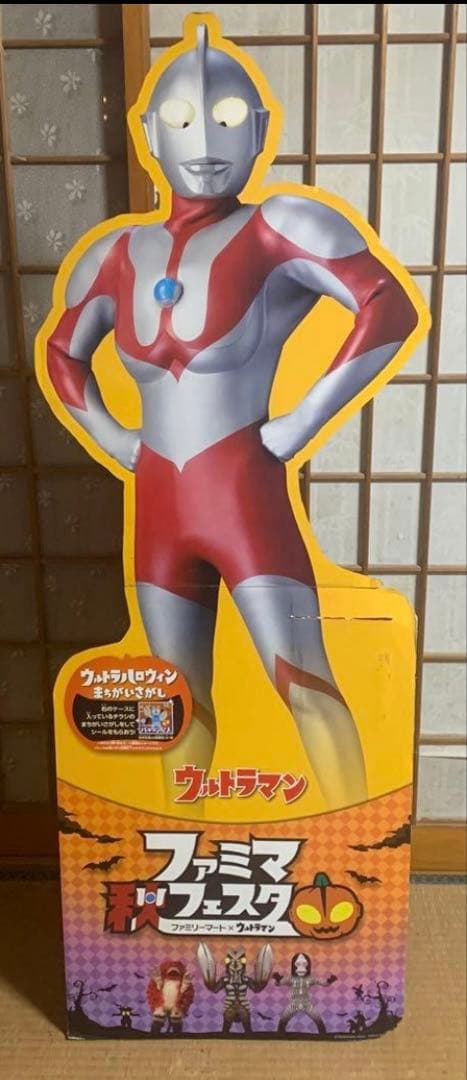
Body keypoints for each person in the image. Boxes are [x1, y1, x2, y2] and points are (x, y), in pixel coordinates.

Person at [44, 20, 418, 808]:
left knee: (303, 681)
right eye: (182, 121)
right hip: (159, 503)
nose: (205, 142)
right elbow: (60, 353)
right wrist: (113, 436)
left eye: (225, 120)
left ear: (259, 129)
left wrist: (300, 422)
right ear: (149, 133)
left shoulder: (280, 226)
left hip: (244, 491)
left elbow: (385, 308)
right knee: (173, 706)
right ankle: (180, 857)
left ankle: (359, 843)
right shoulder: (115, 255)